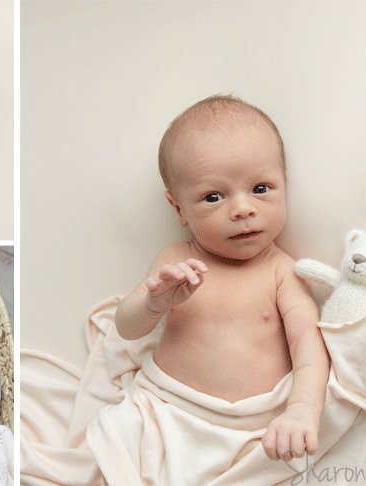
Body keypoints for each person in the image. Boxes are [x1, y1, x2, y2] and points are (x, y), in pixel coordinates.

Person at [115, 95, 330, 462]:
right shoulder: (176, 262)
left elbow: (309, 348)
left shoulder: (282, 272)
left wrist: (301, 410)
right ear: (179, 208)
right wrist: (153, 304)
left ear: (285, 184)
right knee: (119, 440)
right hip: (168, 410)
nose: (243, 209)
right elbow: (126, 327)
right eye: (214, 197)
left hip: (256, 428)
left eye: (261, 189)